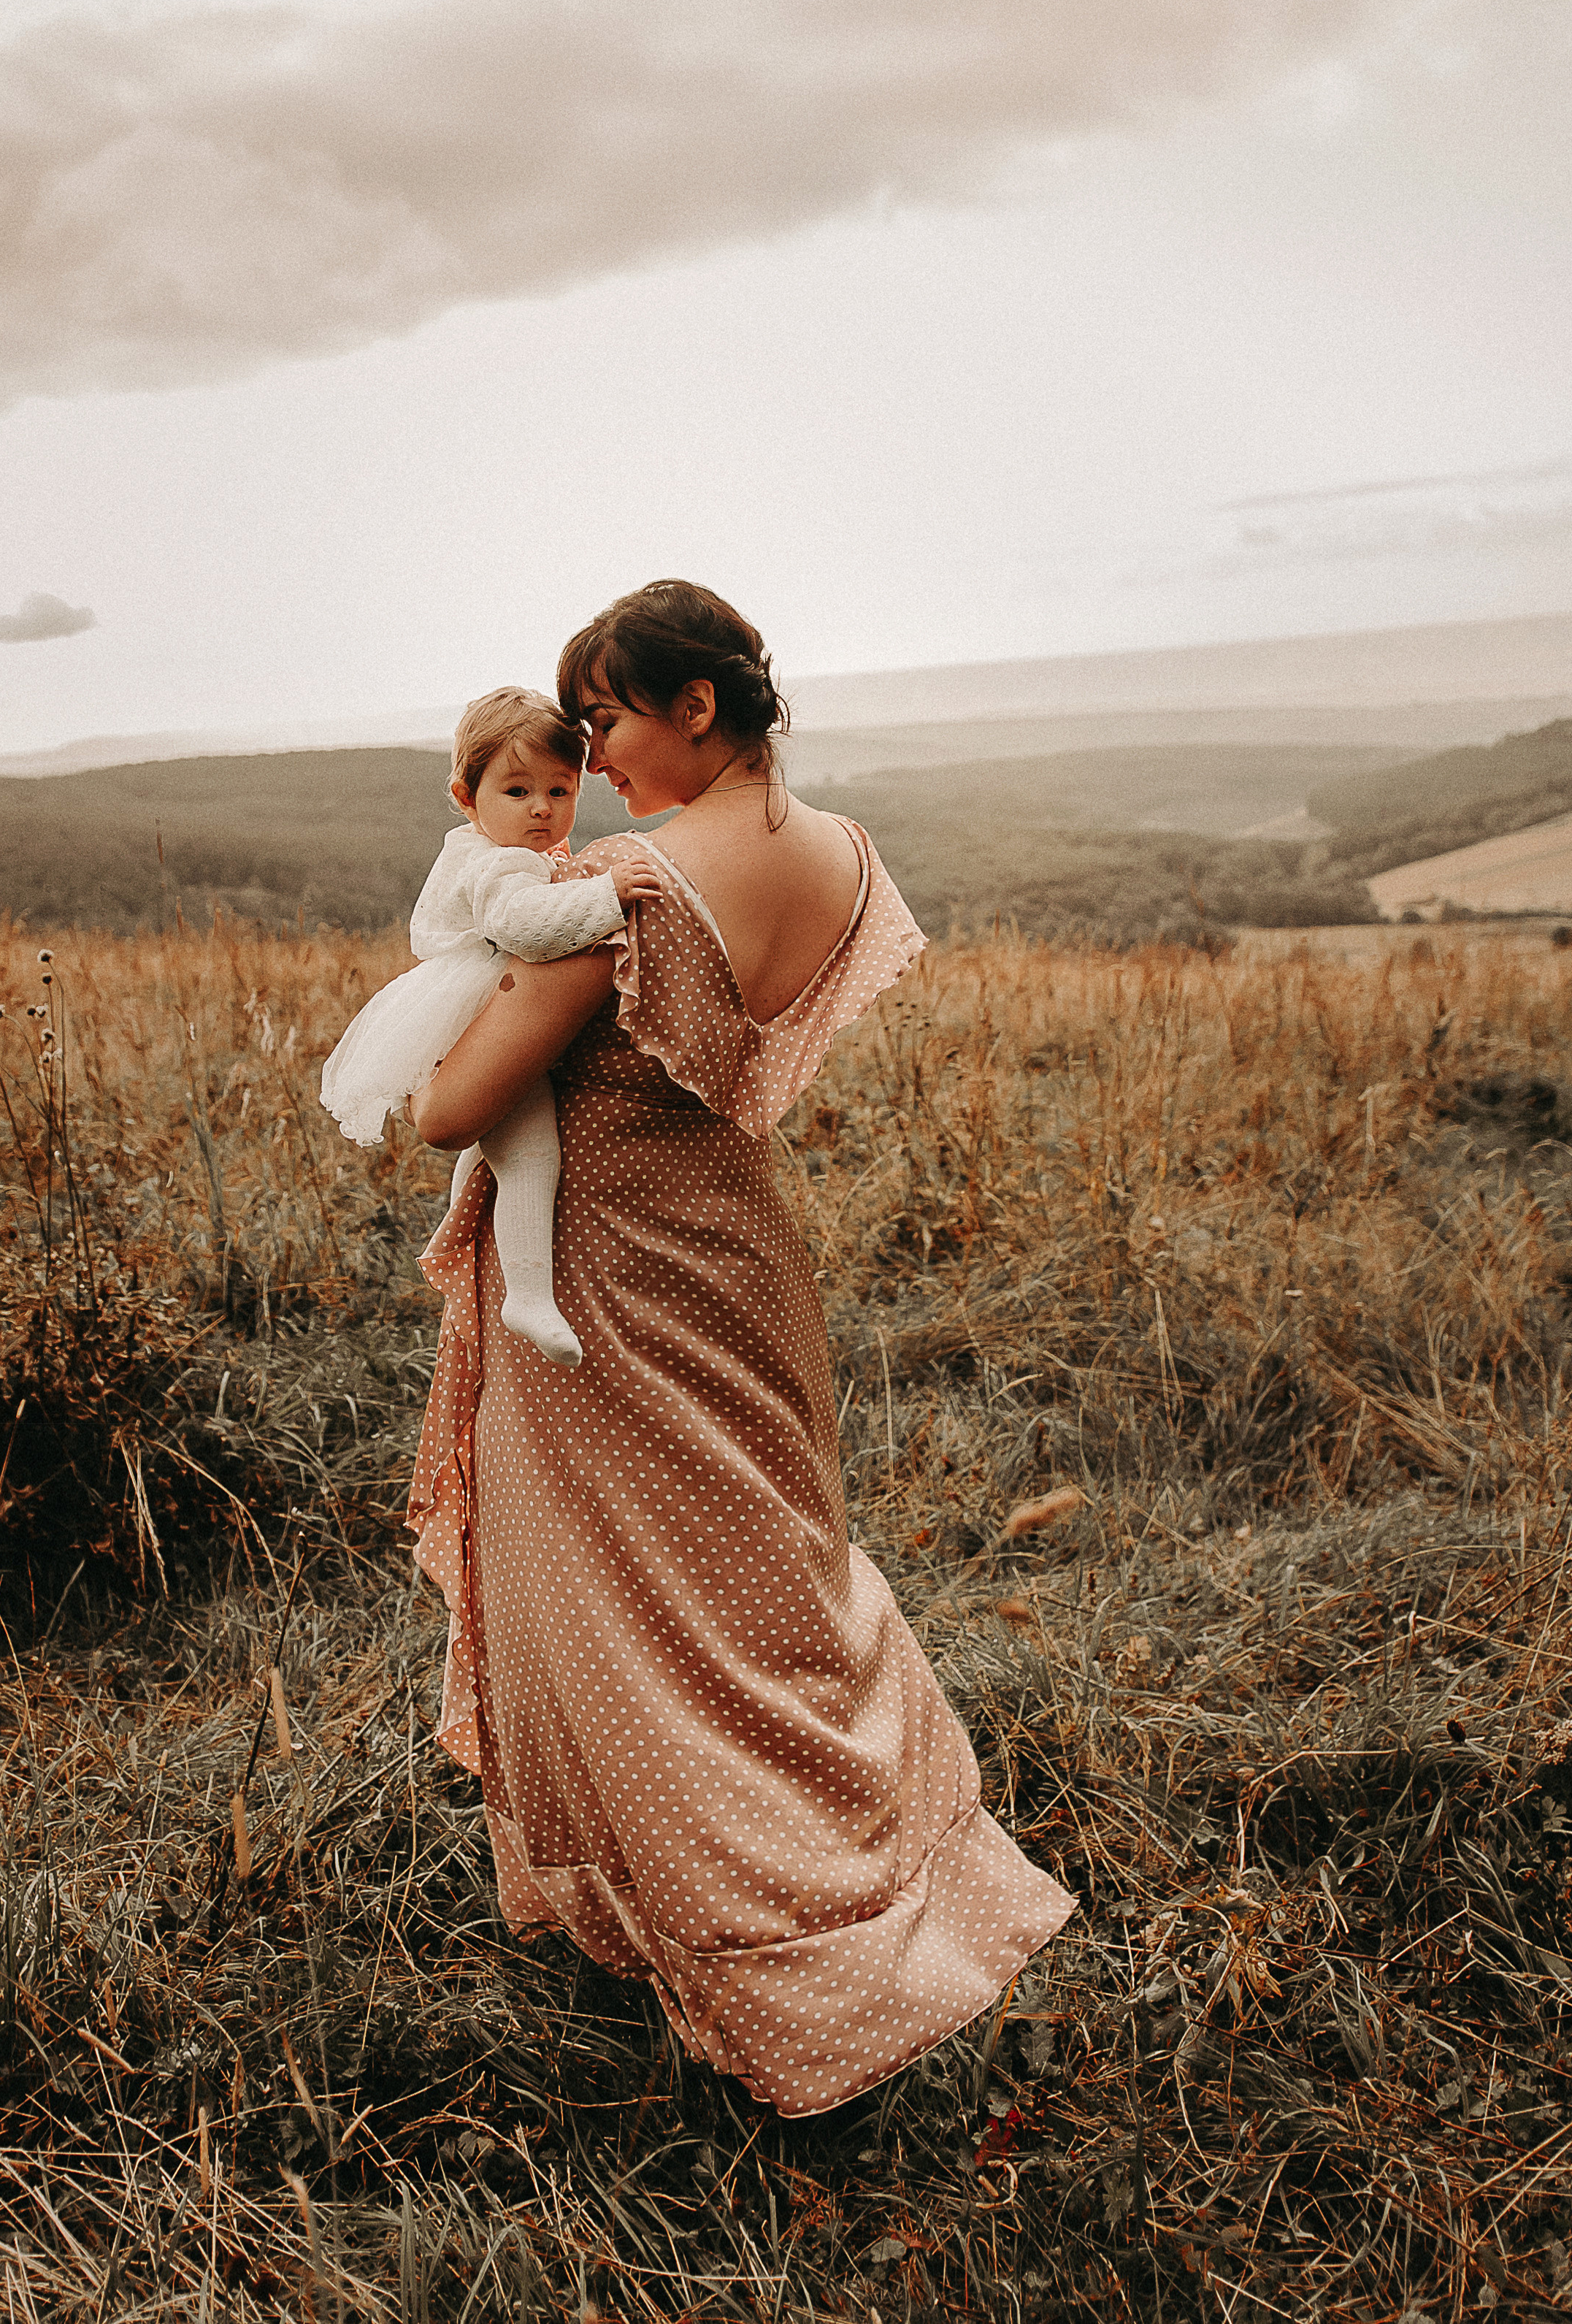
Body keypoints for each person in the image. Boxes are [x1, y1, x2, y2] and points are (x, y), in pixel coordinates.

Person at [409, 584, 1074, 2117]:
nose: (593, 763)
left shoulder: (626, 882)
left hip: (609, 1279)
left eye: (608, 724)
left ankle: (767, 1938)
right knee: (775, 1578)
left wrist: (446, 1022)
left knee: (633, 1611)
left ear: (692, 708)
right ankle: (879, 1874)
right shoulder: (838, 853)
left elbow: (453, 1110)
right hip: (740, 1251)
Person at [320, 687, 660, 1364]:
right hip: (476, 1012)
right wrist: (607, 894)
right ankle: (529, 1295)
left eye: (560, 791)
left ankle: (465, 1235)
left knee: (495, 1145)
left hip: (472, 1007)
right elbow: (525, 931)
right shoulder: (500, 862)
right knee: (531, 1150)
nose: (541, 808)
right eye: (517, 790)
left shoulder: (495, 847)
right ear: (466, 795)